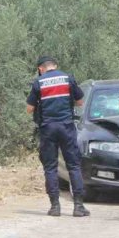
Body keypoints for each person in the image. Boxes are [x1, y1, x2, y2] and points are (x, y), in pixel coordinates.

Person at [27, 56, 88, 217]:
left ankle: (55, 206)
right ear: (55, 65)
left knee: (50, 167)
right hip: (66, 126)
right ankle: (78, 206)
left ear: (41, 69)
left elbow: (29, 108)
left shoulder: (38, 83)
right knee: (73, 166)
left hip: (48, 128)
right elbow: (80, 101)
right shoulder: (68, 78)